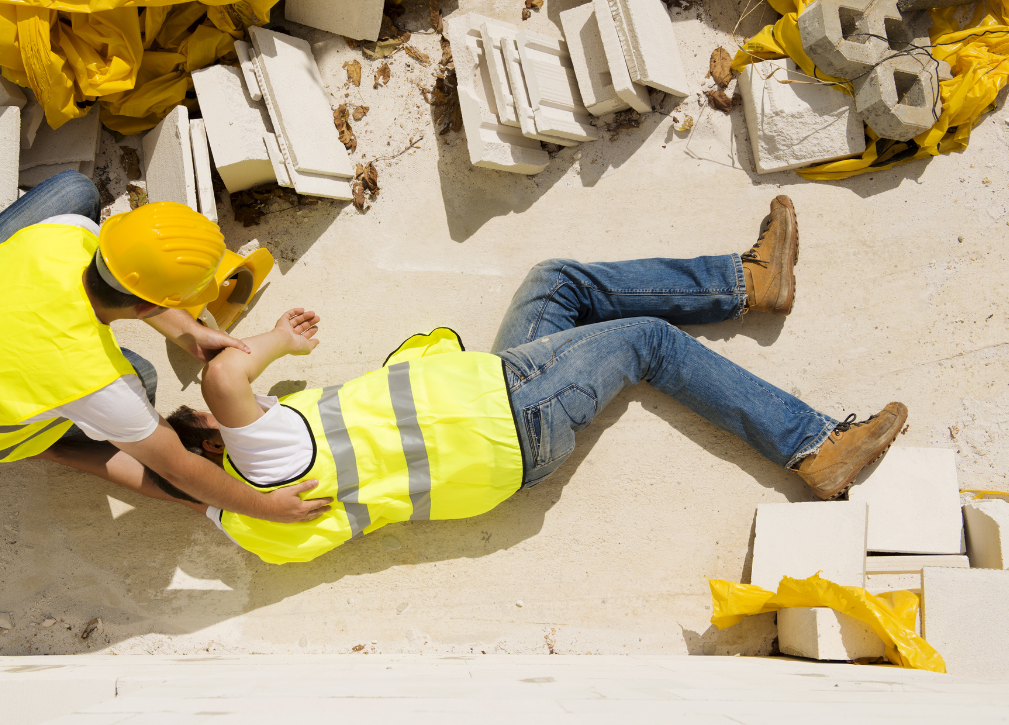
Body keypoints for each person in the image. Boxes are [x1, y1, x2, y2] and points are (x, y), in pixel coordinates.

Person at [142, 196, 908, 564]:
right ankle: (814, 446)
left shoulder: (243, 525)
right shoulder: (267, 458)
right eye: (213, 424)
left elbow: (153, 478)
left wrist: (63, 449)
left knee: (557, 284)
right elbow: (226, 379)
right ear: (216, 444)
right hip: (509, 411)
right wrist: (273, 338)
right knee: (645, 340)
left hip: (500, 431)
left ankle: (750, 281)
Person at [0, 169, 331, 524]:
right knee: (145, 380)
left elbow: (128, 284)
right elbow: (177, 471)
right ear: (153, 303)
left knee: (75, 189)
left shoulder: (67, 233)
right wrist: (265, 507)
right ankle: (41, 439)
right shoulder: (103, 384)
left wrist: (186, 330)